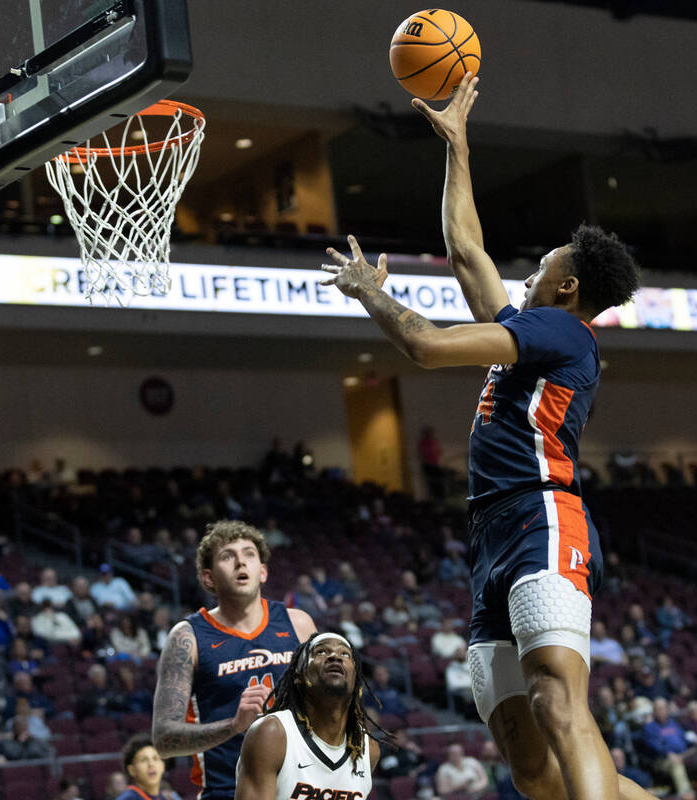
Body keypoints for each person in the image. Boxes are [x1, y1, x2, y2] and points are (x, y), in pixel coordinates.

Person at [319, 72, 642, 800]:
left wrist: (372, 293)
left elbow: (428, 347)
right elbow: (467, 251)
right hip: (491, 534)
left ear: (566, 286)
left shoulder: (560, 329)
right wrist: (458, 145)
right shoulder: (534, 330)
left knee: (561, 705)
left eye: (547, 263)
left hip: (540, 518)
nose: (532, 270)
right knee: (530, 767)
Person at [152, 521, 316, 800]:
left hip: (302, 789)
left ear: (262, 571)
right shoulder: (188, 638)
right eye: (227, 556)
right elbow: (164, 740)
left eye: (249, 554)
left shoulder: (298, 624)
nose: (241, 561)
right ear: (208, 578)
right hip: (229, 792)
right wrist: (234, 725)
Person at [236, 633, 379, 800]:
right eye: (321, 652)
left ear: (356, 678)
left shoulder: (367, 748)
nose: (335, 657)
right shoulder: (272, 733)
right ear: (299, 675)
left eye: (345, 654)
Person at [114, 734, 178, 800]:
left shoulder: (163, 797)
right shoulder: (128, 798)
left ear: (163, 766)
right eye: (144, 760)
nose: (151, 764)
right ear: (132, 770)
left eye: (155, 758)